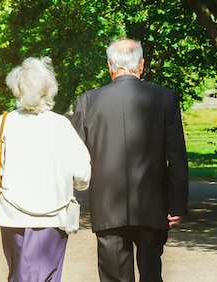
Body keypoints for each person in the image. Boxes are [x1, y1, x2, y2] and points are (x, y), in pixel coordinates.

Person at [70, 38, 189, 282]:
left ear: (110, 66)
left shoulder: (87, 102)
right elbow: (176, 155)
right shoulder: (165, 98)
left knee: (114, 278)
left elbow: (74, 155)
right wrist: (176, 203)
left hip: (107, 205)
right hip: (152, 204)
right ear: (141, 65)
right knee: (151, 274)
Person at [0, 56, 91, 282]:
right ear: (48, 90)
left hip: (12, 217)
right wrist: (74, 184)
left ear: (17, 90)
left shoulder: (3, 123)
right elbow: (82, 173)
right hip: (52, 217)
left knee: (19, 274)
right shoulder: (60, 125)